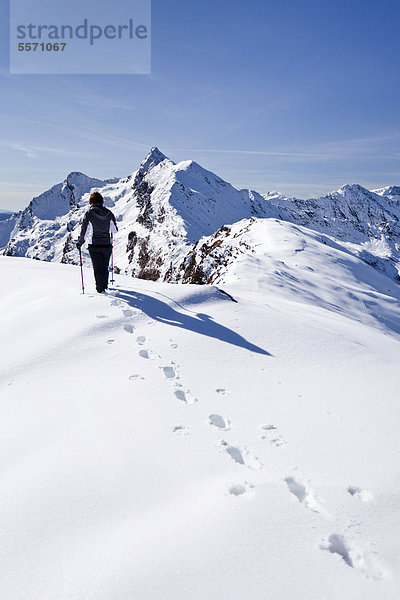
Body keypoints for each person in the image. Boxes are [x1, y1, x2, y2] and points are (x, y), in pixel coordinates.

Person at [76, 191, 118, 293]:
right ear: (102, 201)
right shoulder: (109, 213)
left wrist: (80, 242)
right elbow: (115, 230)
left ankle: (100, 289)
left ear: (91, 202)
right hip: (106, 244)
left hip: (94, 245)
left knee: (97, 267)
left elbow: (84, 231)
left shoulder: (89, 214)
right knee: (104, 267)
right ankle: (104, 286)